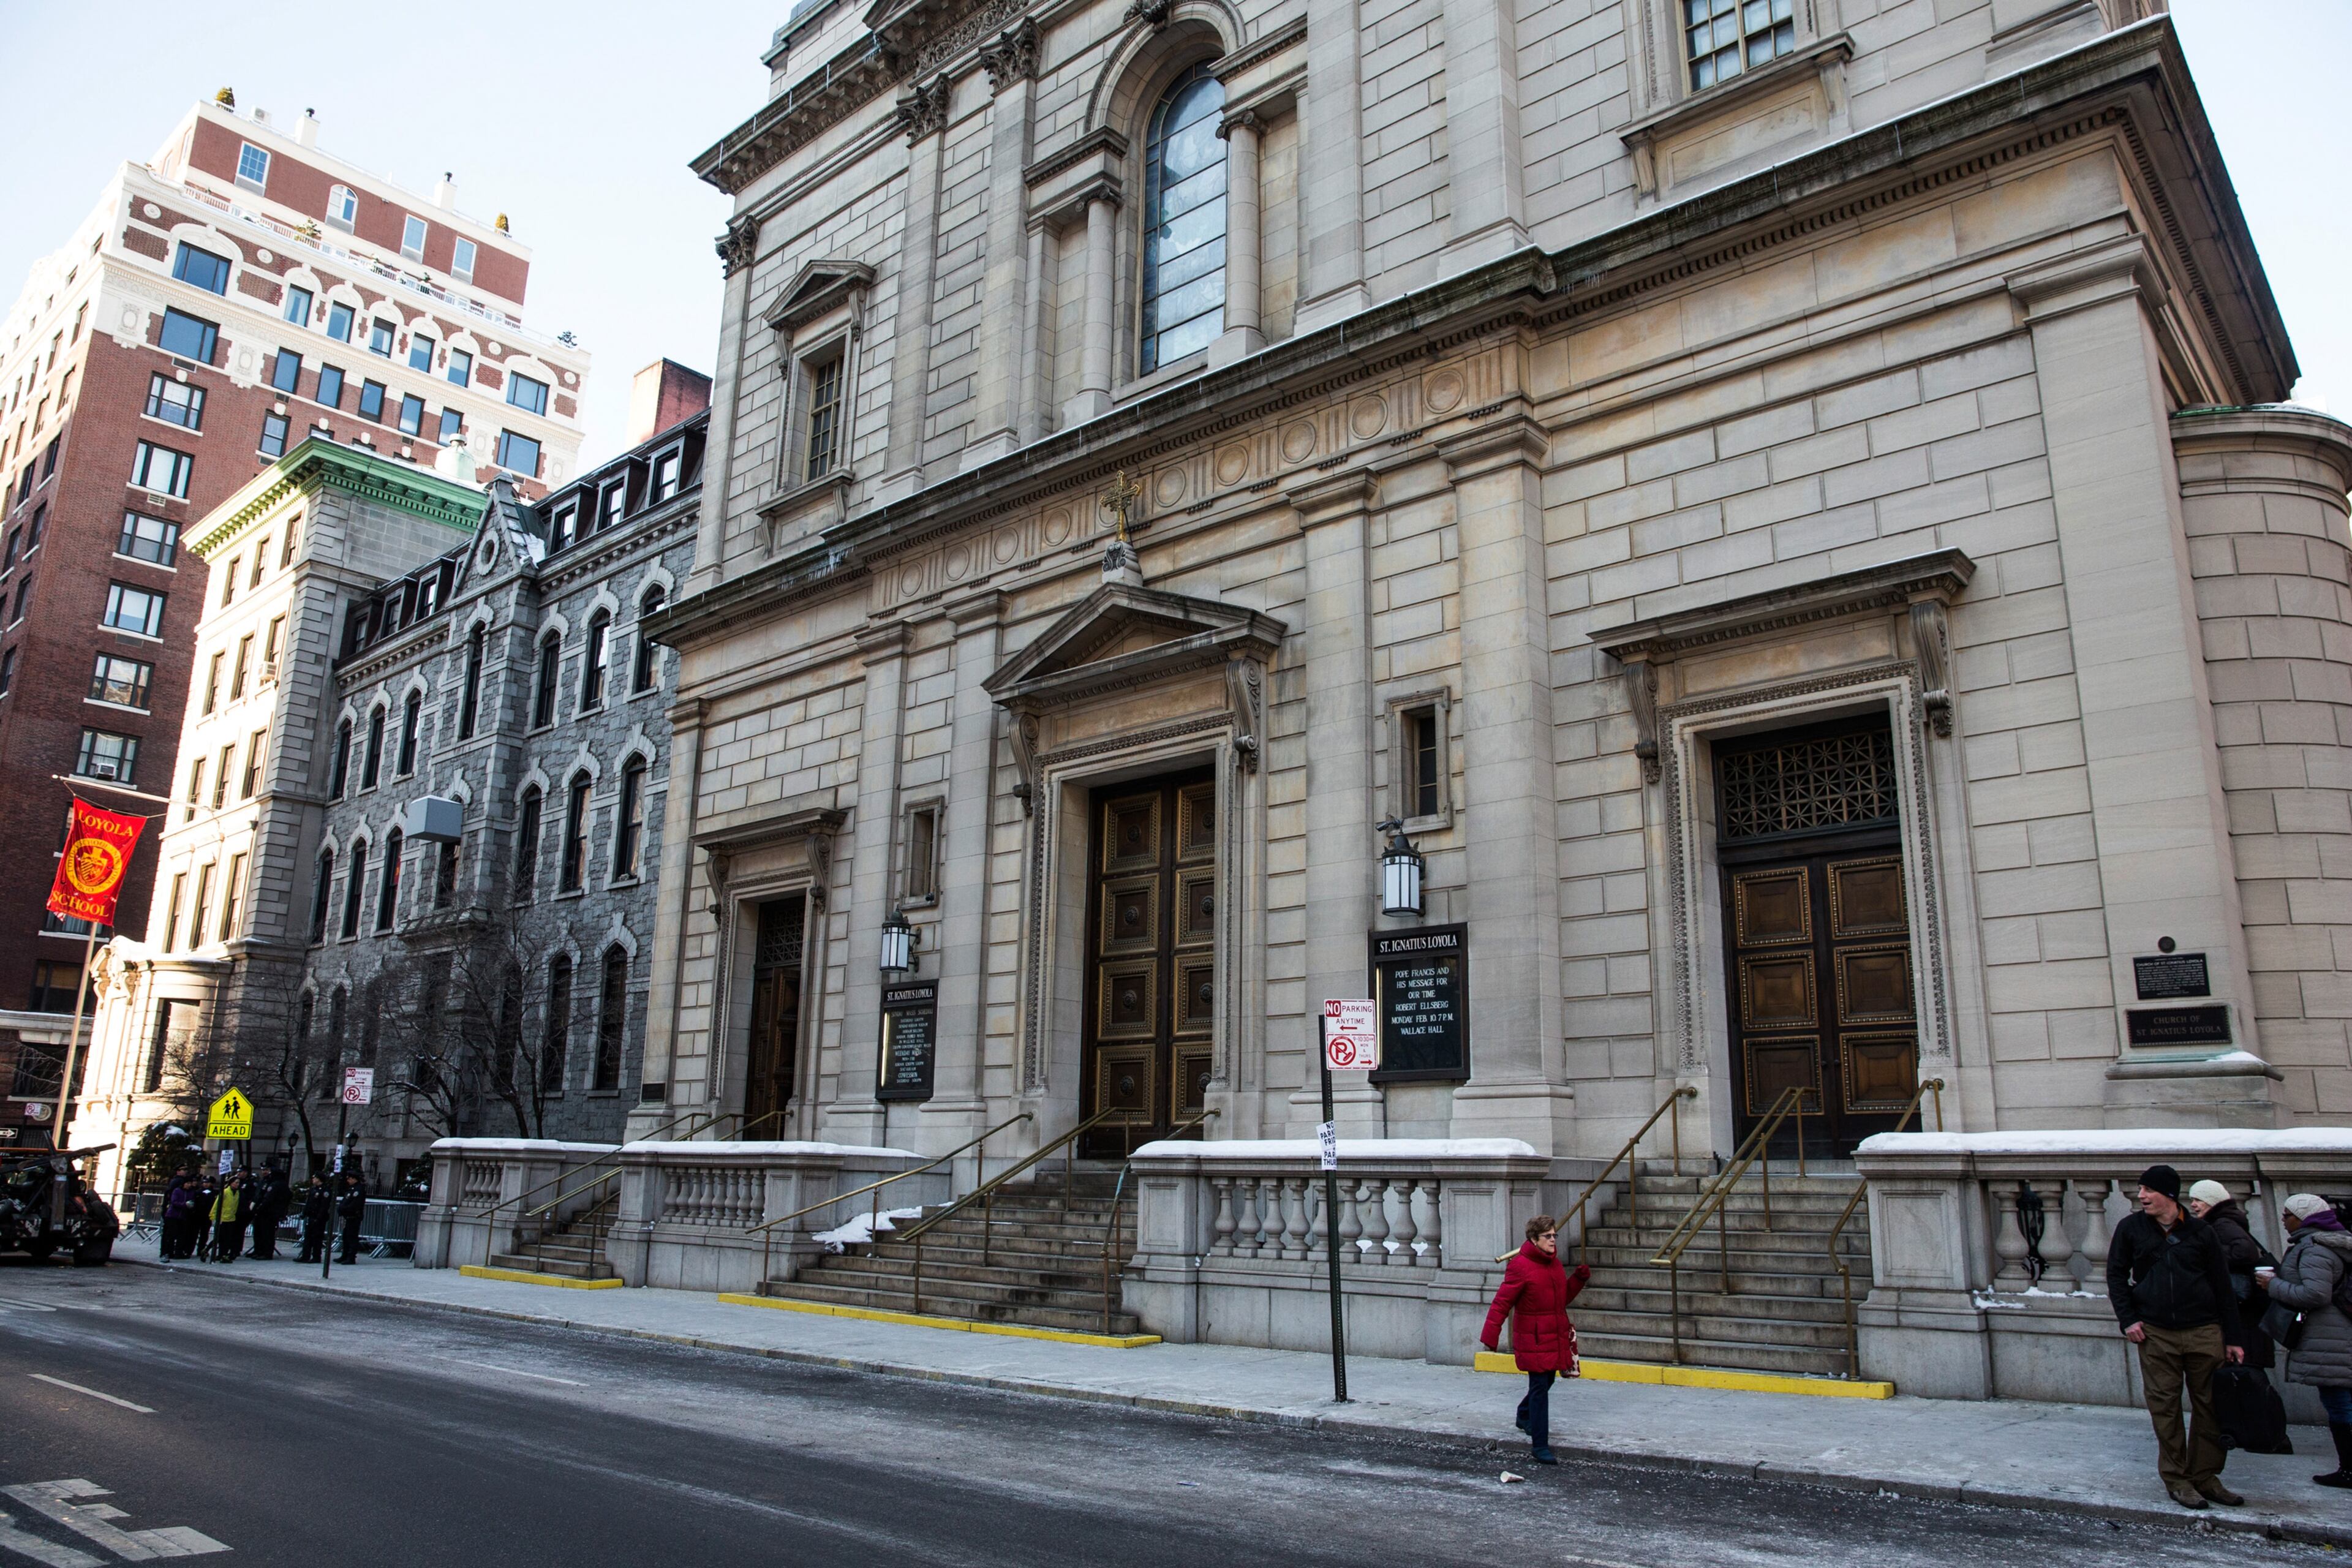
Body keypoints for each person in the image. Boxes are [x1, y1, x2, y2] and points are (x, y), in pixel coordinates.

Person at [2107, 1163, 2247, 1510]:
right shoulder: (2130, 1229)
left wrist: (2233, 1337)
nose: (2141, 1196)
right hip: (2154, 1333)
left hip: (2204, 1331)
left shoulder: (2201, 1232)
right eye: (2141, 1190)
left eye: (2148, 1190)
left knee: (2210, 1406)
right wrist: (2129, 1320)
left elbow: (2222, 1287)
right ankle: (2177, 1479)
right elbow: (2115, 1276)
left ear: (2169, 1194)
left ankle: (2206, 1476)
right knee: (2164, 1408)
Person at [1480, 1214, 1591, 1467]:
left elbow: (1560, 1300)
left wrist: (1578, 1280)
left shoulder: (1554, 1264)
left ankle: (1524, 1415)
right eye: (1548, 1236)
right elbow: (1502, 1303)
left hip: (1555, 1333)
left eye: (1555, 1236)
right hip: (1534, 1337)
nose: (1553, 1240)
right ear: (1533, 1239)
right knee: (1540, 1386)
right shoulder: (1520, 1266)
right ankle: (1540, 1445)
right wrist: (1490, 1336)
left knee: (1547, 1380)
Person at [2259, 1193, 2352, 1488]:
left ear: (2304, 1217)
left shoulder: (2314, 1249)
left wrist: (2273, 1285)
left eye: (2287, 1215)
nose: (2283, 1220)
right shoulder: (2330, 1242)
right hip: (2338, 1336)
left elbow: (2316, 1295)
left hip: (2330, 1339)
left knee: (2339, 1404)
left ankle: (2349, 1470)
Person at [2188, 1180, 2276, 1373]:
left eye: (2198, 1200)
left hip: (2241, 1305)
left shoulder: (2222, 1223)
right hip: (2246, 1311)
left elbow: (2245, 1252)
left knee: (2245, 1375)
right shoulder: (2224, 1220)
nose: (2193, 1204)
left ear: (2212, 1200)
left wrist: (2209, 1257)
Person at [246, 1166, 288, 1261]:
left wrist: (260, 1208)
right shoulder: (270, 1183)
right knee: (260, 1233)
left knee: (267, 1234)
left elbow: (268, 1199)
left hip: (269, 1213)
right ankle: (259, 1251)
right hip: (266, 1212)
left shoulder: (276, 1185)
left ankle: (266, 1253)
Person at [208, 1173, 246, 1262]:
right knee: (220, 1238)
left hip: (231, 1219)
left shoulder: (237, 1193)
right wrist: (213, 1216)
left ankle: (223, 1255)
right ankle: (209, 1251)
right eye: (236, 1182)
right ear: (231, 1183)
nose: (237, 1184)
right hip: (223, 1219)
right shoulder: (225, 1192)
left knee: (228, 1238)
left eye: (238, 1183)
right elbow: (217, 1205)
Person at [298, 1177, 332, 1264]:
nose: (313, 1180)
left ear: (319, 1179)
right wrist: (304, 1213)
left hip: (318, 1218)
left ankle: (316, 1257)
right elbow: (309, 1203)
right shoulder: (314, 1189)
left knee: (317, 1238)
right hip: (311, 1216)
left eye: (315, 1178)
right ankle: (305, 1256)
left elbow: (324, 1206)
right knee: (308, 1237)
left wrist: (319, 1217)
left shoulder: (325, 1190)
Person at [336, 1172, 368, 1265]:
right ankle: (345, 1255)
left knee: (352, 1237)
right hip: (348, 1217)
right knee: (346, 1237)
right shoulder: (351, 1189)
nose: (348, 1181)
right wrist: (341, 1209)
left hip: (354, 1216)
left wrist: (345, 1209)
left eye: (349, 1179)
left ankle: (351, 1257)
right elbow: (346, 1200)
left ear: (354, 1179)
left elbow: (355, 1204)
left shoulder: (359, 1190)